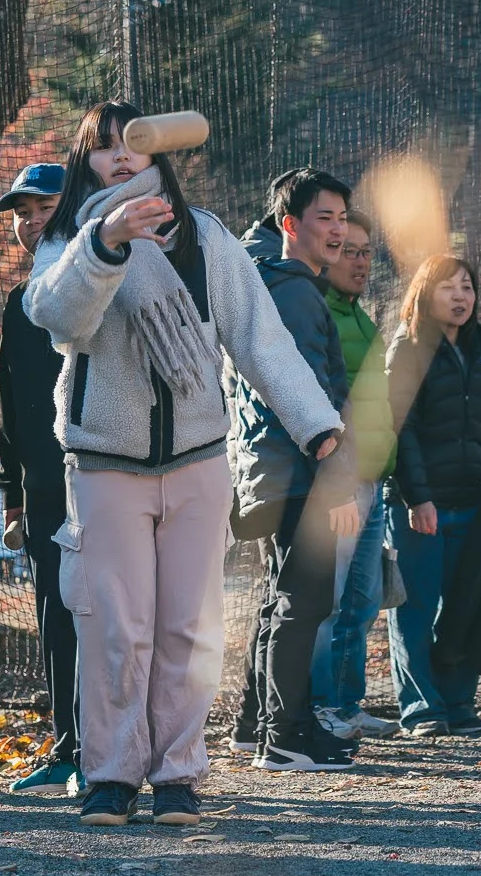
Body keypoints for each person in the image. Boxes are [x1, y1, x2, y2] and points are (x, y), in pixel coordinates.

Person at [24, 101, 345, 826]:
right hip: (105, 467)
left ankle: (176, 776)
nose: (120, 156)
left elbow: (259, 339)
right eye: (103, 148)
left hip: (199, 462)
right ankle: (109, 775)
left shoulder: (205, 238)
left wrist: (317, 425)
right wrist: (106, 243)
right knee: (115, 626)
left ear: (160, 155)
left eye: (132, 144)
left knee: (188, 629)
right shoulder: (69, 239)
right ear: (86, 166)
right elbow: (57, 317)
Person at [230, 168, 363, 771]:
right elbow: (310, 401)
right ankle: (284, 738)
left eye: (342, 218)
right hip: (303, 474)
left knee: (281, 599)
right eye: (323, 218)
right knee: (301, 604)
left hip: (282, 474)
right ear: (290, 225)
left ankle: (261, 727)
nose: (337, 231)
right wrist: (336, 484)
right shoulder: (295, 293)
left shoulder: (282, 287)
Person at [384, 253, 481, 737]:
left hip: (471, 502)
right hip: (420, 505)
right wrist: (418, 497)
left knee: (463, 606)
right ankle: (421, 710)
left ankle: (459, 705)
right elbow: (401, 428)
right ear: (424, 294)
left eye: (468, 288)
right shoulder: (407, 349)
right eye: (448, 287)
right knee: (413, 609)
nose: (460, 297)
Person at [0, 162, 82, 797]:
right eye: (21, 212)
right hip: (44, 490)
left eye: (43, 207)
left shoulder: (107, 283)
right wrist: (15, 498)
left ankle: (123, 748)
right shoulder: (19, 302)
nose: (29, 221)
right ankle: (68, 746)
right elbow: (11, 407)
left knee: (111, 614)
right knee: (55, 611)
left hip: (105, 479)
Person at [309, 209, 400, 742]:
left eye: (367, 251)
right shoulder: (318, 311)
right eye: (349, 250)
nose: (361, 261)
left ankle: (346, 704)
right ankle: (318, 707)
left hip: (374, 481)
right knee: (329, 599)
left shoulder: (361, 316)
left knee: (362, 602)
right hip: (337, 482)